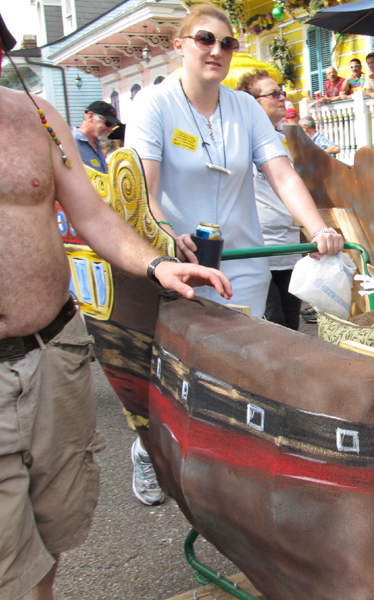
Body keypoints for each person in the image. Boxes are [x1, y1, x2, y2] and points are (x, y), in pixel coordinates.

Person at [0, 13, 231, 599]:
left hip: (54, 351)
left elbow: (95, 215)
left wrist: (157, 263)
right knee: (6, 552)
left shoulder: (36, 116)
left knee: (54, 524)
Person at [125, 3, 343, 506]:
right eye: (205, 39)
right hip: (183, 268)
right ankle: (148, 449)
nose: (217, 51)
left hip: (243, 264)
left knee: (241, 373)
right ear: (180, 45)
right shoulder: (155, 106)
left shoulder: (244, 109)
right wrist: (162, 231)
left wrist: (318, 227)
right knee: (183, 374)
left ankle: (232, 480)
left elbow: (281, 173)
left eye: (227, 43)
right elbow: (147, 189)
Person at [237, 69, 303, 331]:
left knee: (292, 328)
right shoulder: (241, 140)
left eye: (281, 92)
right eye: (273, 93)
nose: (281, 97)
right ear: (253, 103)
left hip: (289, 249)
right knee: (273, 330)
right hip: (259, 251)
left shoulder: (286, 141)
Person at [71, 100, 122, 174]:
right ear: (90, 116)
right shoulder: (71, 142)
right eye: (108, 123)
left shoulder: (97, 144)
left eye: (113, 125)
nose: (111, 129)